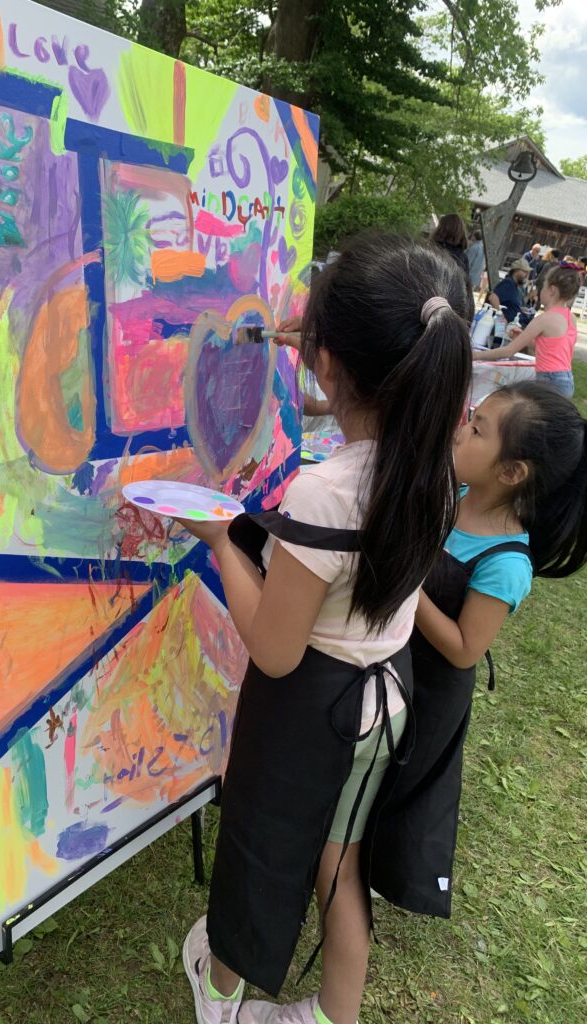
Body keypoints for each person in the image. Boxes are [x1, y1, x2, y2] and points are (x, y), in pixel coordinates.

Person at [177, 232, 473, 1024]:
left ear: (331, 364)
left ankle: (222, 996)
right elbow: (366, 425)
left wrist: (218, 543)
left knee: (260, 855)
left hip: (314, 707)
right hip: (387, 695)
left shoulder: (323, 494)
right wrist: (319, 364)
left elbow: (275, 648)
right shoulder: (436, 464)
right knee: (339, 863)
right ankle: (334, 1013)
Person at [368, 382, 587, 920]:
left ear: (511, 472)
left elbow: (466, 649)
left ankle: (375, 870)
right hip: (392, 660)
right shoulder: (459, 494)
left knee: (402, 779)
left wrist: (408, 579)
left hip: (433, 689)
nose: (461, 430)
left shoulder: (507, 561)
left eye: (476, 429)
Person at [474, 265, 581, 396]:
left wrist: (475, 356)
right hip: (566, 380)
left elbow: (508, 351)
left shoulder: (544, 319)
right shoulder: (570, 317)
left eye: (543, 287)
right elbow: (551, 350)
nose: (540, 292)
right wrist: (524, 338)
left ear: (552, 290)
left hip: (549, 381)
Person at [431, 213, 474, 311]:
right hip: (450, 309)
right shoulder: (462, 258)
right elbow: (466, 289)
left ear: (440, 229)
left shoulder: (429, 250)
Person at [487, 258, 531, 323]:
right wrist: (501, 317)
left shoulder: (514, 285)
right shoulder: (508, 283)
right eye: (524, 272)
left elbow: (507, 304)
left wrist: (520, 309)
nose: (526, 275)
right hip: (509, 324)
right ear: (516, 271)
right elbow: (493, 297)